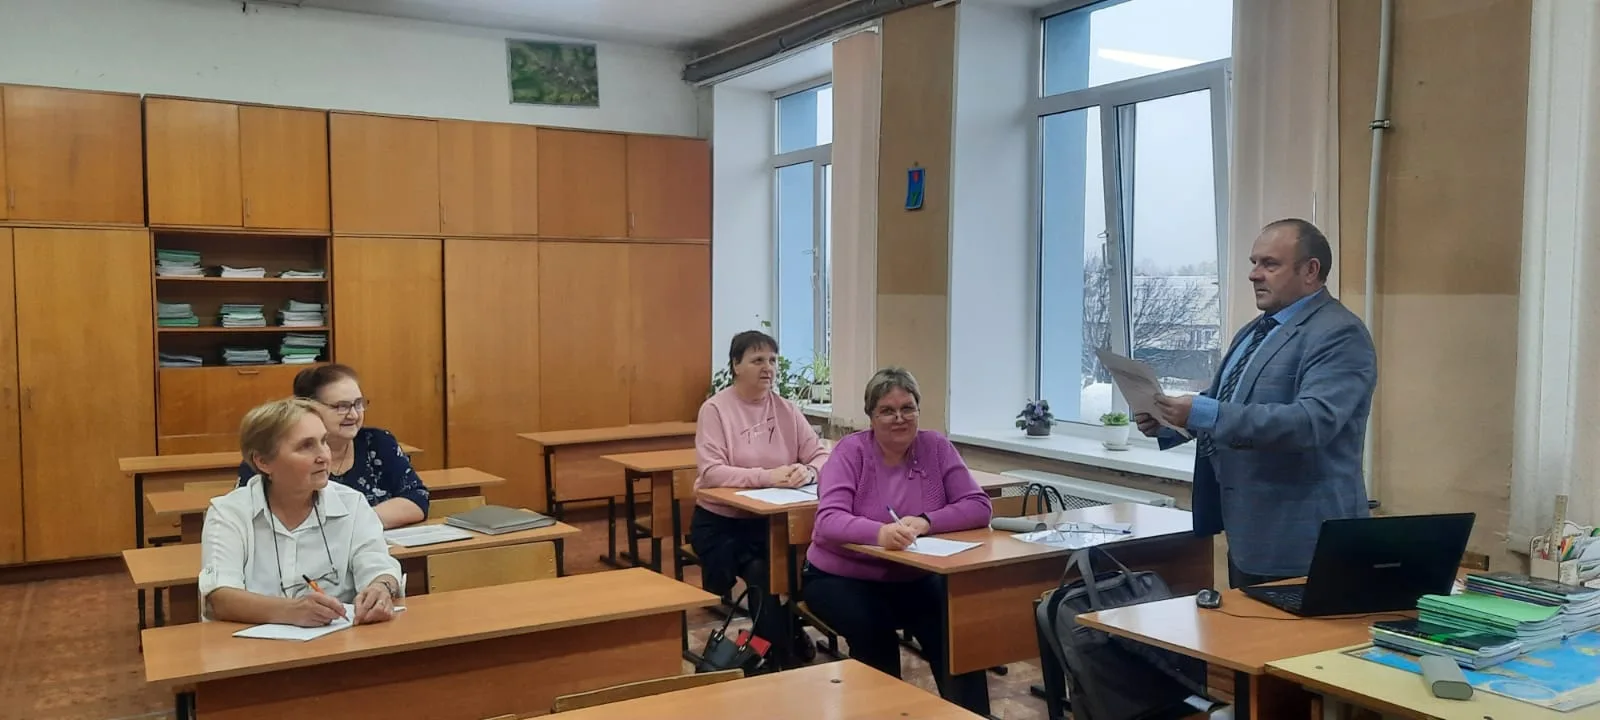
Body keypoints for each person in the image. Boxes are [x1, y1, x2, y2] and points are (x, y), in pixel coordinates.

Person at [1136, 218, 1376, 588]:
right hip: (1248, 536)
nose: (1254, 274)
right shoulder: (1256, 330)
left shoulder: (1340, 334)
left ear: (1310, 271)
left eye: (1270, 264)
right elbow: (1227, 401)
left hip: (1305, 543)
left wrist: (1203, 413)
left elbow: (1311, 422)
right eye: (1253, 263)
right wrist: (1170, 421)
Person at [801, 367, 992, 700]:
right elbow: (829, 520)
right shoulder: (850, 452)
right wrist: (879, 533)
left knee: (956, 629)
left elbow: (979, 506)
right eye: (887, 411)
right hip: (842, 577)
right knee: (874, 633)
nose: (899, 418)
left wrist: (926, 521)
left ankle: (972, 714)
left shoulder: (936, 447)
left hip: (914, 575)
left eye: (908, 408)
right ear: (871, 417)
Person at [690, 330, 829, 669]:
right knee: (766, 573)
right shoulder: (715, 409)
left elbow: (821, 455)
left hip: (774, 522)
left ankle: (777, 642)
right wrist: (768, 476)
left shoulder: (786, 409)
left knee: (800, 568)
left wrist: (808, 471)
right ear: (736, 365)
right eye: (757, 360)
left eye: (773, 360)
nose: (768, 367)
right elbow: (712, 472)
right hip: (724, 525)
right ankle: (778, 655)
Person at [200, 397, 402, 626]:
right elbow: (220, 598)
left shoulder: (352, 504)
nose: (324, 456)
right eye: (306, 446)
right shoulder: (229, 513)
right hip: (252, 644)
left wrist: (381, 587)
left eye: (324, 441)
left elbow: (379, 566)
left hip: (339, 639)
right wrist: (292, 611)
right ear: (263, 462)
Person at [237, 364, 428, 529]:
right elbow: (251, 517)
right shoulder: (273, 456)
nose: (354, 415)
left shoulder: (377, 442)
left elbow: (417, 498)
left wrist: (355, 526)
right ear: (306, 406)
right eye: (341, 406)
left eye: (358, 404)